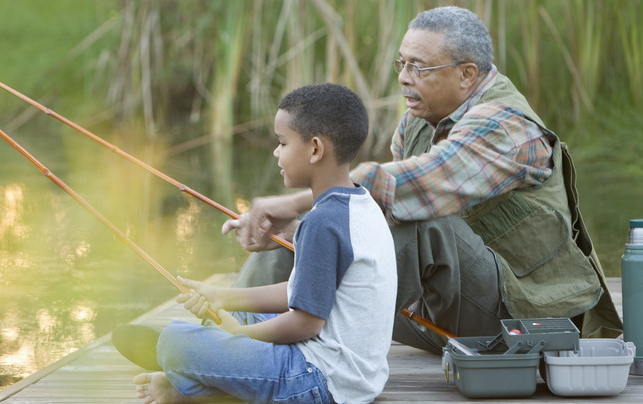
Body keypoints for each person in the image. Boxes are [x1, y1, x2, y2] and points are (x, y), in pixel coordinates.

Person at [222, 6, 622, 355]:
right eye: (402, 64)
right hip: (438, 316)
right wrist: (298, 230)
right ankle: (216, 335)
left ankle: (260, 346)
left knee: (422, 224)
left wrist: (293, 202)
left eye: (420, 67)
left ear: (467, 74)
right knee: (305, 234)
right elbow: (373, 221)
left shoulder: (504, 124)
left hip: (520, 319)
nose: (404, 78)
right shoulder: (415, 122)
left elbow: (419, 187)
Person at [115, 83, 397, 404]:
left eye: (282, 143)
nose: (276, 152)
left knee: (178, 341)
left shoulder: (322, 223)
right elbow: (299, 292)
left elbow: (305, 323)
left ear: (316, 149)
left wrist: (237, 337)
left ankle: (185, 368)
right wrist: (222, 297)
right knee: (230, 316)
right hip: (358, 372)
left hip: (320, 376)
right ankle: (195, 376)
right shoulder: (359, 204)